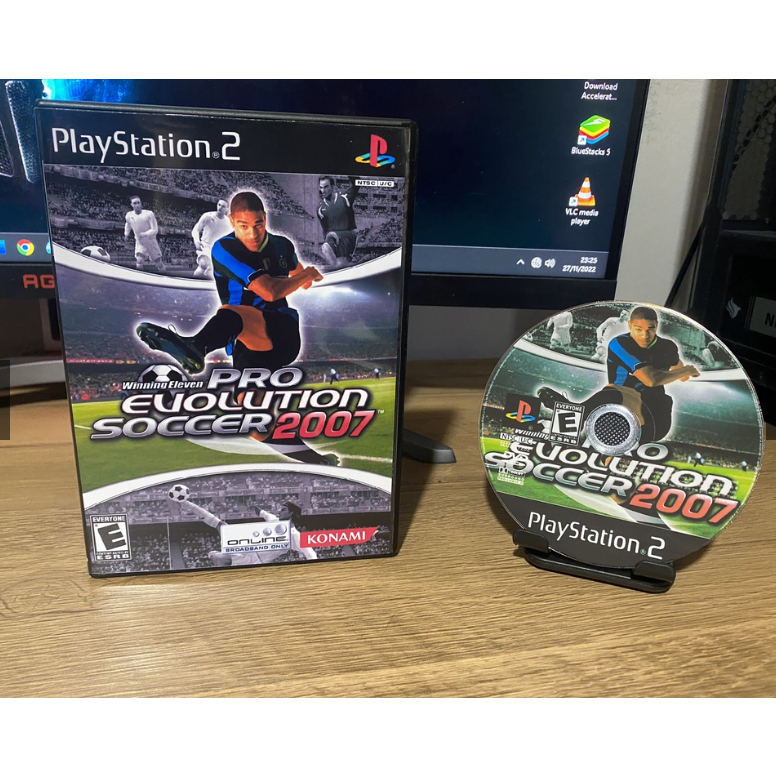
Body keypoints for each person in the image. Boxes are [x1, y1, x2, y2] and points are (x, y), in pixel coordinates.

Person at [136, 191, 335, 465]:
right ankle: (317, 461)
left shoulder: (282, 246)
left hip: (282, 330)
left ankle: (196, 346)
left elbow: (296, 276)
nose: (253, 233)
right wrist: (304, 276)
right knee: (256, 422)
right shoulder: (224, 249)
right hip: (244, 343)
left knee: (233, 311)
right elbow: (269, 289)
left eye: (258, 224)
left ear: (265, 218)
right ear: (231, 221)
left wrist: (305, 277)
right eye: (244, 226)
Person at [539, 306, 701, 445]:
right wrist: (685, 371)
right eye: (638, 329)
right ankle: (566, 431)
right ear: (629, 325)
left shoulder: (668, 346)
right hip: (616, 410)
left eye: (650, 329)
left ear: (657, 326)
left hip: (655, 419)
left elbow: (680, 373)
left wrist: (682, 372)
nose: (645, 335)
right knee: (616, 391)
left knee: (614, 393)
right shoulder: (620, 344)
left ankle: (573, 416)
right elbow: (651, 380)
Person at [172, 493, 317, 567]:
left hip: (255, 561)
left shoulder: (294, 535)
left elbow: (309, 552)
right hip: (245, 547)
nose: (280, 511)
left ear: (291, 513)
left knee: (218, 559)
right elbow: (264, 513)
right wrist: (256, 508)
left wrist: (314, 568)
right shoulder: (274, 521)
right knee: (220, 524)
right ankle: (187, 504)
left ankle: (216, 557)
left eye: (283, 510)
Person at [317, 175, 359, 270]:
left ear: (333, 187)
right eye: (321, 187)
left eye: (326, 187)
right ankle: (336, 265)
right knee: (327, 243)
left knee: (342, 260)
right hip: (334, 237)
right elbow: (325, 230)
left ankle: (339, 264)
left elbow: (356, 184)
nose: (323, 190)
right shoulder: (320, 208)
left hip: (349, 235)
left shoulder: (344, 198)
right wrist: (328, 239)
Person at [191, 199, 231, 279]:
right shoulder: (207, 216)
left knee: (206, 270)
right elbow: (196, 230)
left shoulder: (228, 223)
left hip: (218, 249)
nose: (220, 208)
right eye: (219, 205)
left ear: (227, 209)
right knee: (203, 263)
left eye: (223, 206)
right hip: (205, 246)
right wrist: (197, 241)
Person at [124, 195, 164, 272]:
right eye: (135, 203)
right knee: (139, 260)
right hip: (140, 241)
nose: (137, 205)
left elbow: (155, 229)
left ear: (141, 203)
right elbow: (128, 224)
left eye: (138, 203)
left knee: (158, 263)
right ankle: (139, 276)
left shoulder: (149, 214)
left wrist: (145, 234)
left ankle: (163, 273)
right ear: (131, 205)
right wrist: (126, 234)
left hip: (150, 241)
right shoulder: (129, 215)